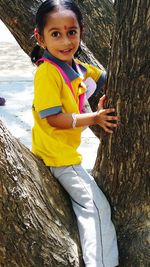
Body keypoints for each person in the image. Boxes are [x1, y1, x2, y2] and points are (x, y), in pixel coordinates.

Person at [31, 1, 119, 266]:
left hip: (66, 155)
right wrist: (95, 117)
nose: (65, 40)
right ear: (40, 37)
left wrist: (106, 95)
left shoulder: (78, 68)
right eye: (55, 33)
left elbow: (107, 78)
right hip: (59, 157)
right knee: (96, 209)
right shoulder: (47, 72)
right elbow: (54, 118)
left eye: (72, 32)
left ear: (82, 31)